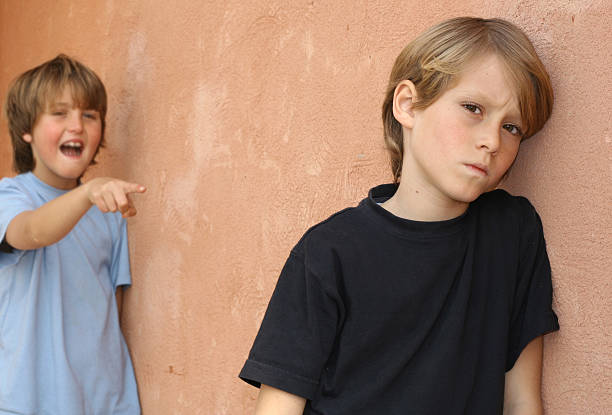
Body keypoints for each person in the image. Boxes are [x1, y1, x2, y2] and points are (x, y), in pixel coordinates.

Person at [239, 17, 559, 414]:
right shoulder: (329, 253)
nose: (491, 141)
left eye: (512, 127)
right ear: (408, 105)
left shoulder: (512, 233)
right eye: (473, 108)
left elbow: (522, 401)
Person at [0, 54, 144, 414]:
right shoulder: (11, 196)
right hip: (25, 402)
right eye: (59, 113)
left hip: (105, 404)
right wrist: (86, 193)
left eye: (89, 115)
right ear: (26, 129)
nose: (77, 125)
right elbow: (31, 231)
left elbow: (112, 314)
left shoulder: (109, 212)